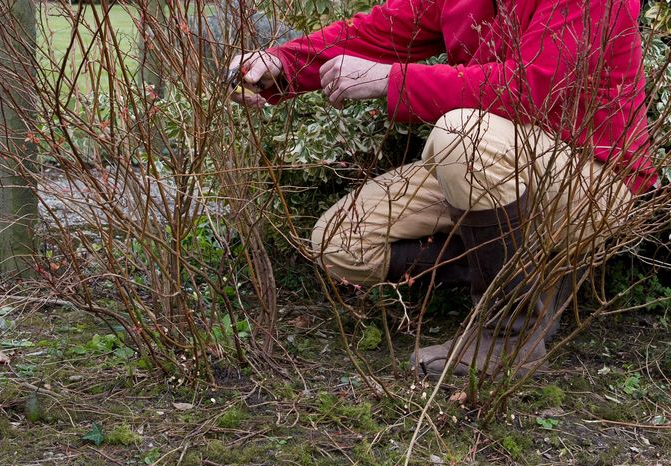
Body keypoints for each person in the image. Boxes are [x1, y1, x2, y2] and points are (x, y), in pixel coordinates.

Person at [229, 0, 657, 377]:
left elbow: (532, 88)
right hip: (497, 158)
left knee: (460, 134)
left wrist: (391, 80)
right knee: (341, 242)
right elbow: (385, 28)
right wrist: (282, 64)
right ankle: (536, 274)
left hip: (591, 175)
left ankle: (508, 334)